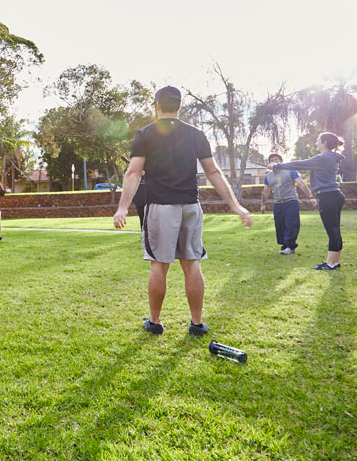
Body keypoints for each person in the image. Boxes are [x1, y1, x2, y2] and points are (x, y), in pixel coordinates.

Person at [113, 86, 252, 336]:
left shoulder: (145, 134)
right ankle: (197, 324)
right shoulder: (196, 134)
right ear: (179, 107)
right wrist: (236, 206)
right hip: (190, 206)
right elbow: (214, 172)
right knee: (192, 265)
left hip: (160, 207)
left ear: (157, 106)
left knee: (159, 265)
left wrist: (122, 208)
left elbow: (133, 172)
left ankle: (154, 322)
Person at [267, 132, 345, 270]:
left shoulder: (324, 157)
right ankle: (333, 261)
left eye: (318, 140)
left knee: (332, 230)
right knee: (334, 229)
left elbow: (300, 163)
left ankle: (331, 263)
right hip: (333, 195)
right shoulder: (330, 157)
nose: (316, 143)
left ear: (325, 142)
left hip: (328, 196)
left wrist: (277, 166)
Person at [260, 153, 316, 255]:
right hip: (278, 203)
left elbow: (301, 184)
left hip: (291, 202)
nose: (274, 162)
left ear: (281, 161)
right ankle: (285, 246)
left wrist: (311, 197)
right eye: (272, 160)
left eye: (276, 160)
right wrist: (263, 204)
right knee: (280, 225)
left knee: (291, 224)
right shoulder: (268, 176)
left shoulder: (290, 171)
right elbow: (266, 191)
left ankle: (291, 246)